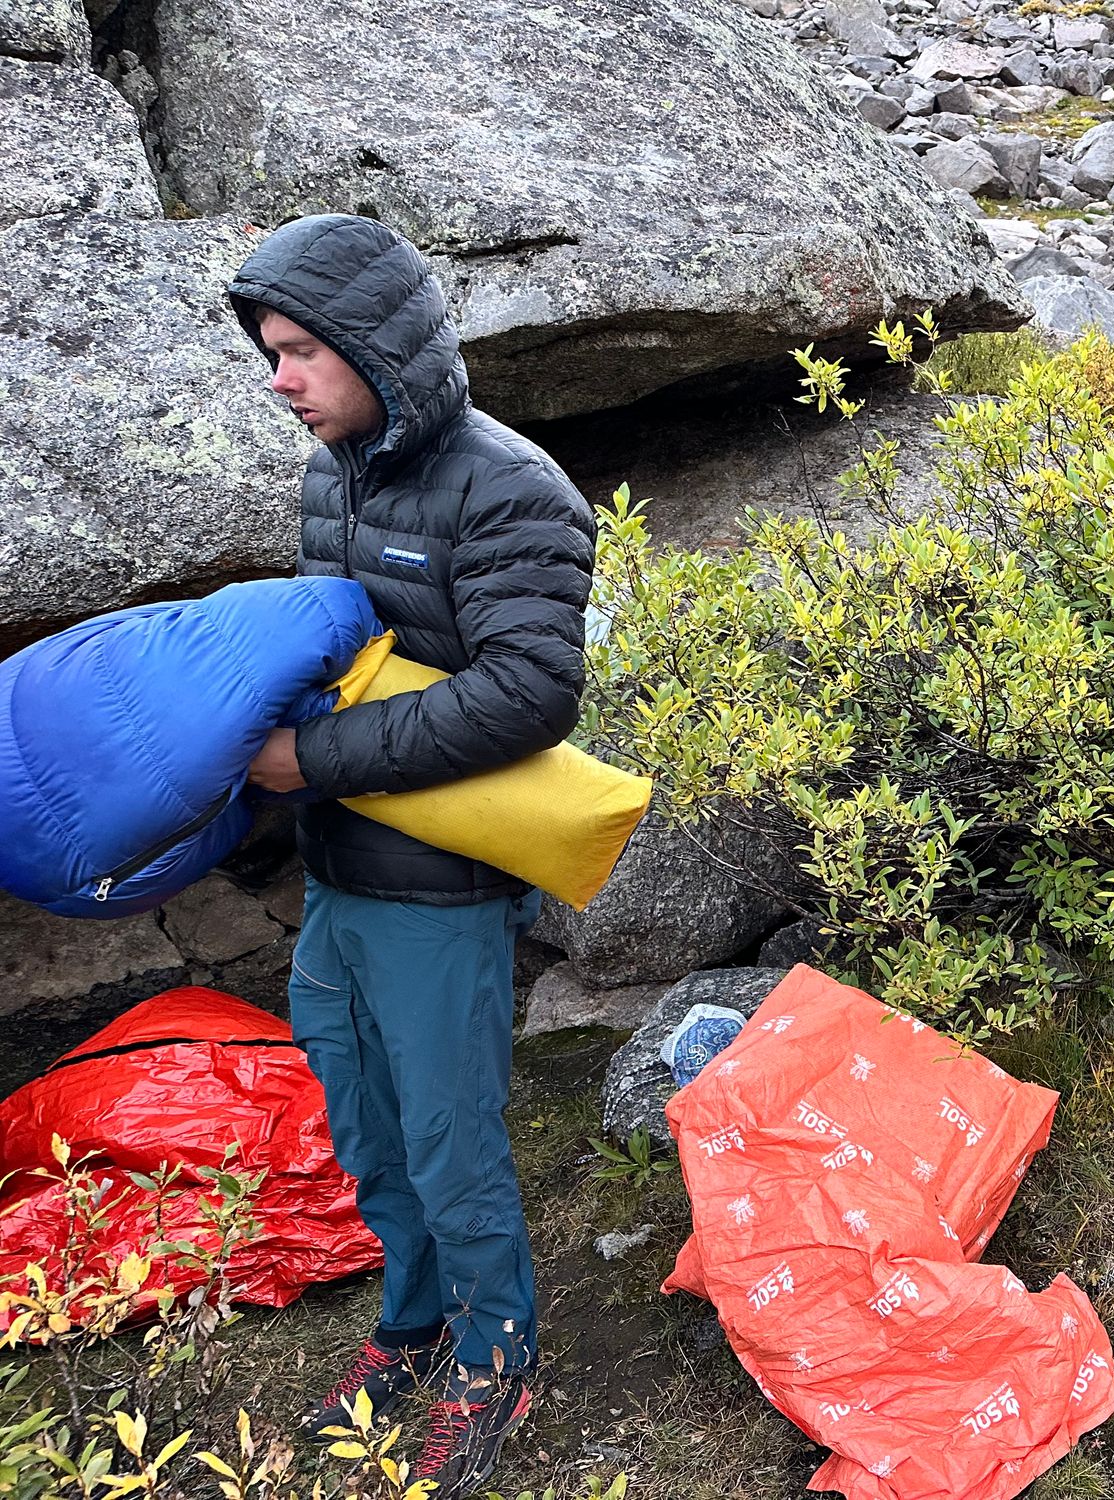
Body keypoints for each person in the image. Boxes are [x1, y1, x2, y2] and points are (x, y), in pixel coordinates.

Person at [227, 214, 595, 1500]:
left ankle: (497, 1349)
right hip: (337, 877)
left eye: (300, 354)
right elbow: (321, 663)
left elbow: (527, 695)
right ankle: (415, 1320)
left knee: (450, 1140)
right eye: (269, 354)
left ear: (376, 348)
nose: (280, 381)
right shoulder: (335, 473)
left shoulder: (512, 489)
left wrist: (307, 765)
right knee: (367, 1126)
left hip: (441, 892)